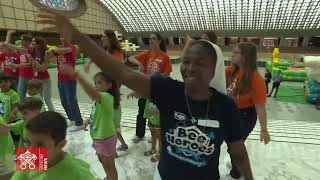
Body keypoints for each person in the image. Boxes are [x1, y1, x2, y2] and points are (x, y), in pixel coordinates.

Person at [37, 11, 253, 179]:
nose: (190, 67)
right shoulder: (170, 91)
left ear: (214, 68)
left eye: (200, 62)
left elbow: (238, 151)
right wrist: (76, 36)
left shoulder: (225, 107)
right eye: (186, 61)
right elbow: (121, 71)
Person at [61, 66, 119, 180]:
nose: (96, 85)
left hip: (105, 138)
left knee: (109, 165)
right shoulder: (99, 101)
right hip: (98, 137)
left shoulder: (107, 97)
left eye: (100, 83)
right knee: (102, 159)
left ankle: (111, 177)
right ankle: (108, 177)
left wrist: (77, 76)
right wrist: (88, 121)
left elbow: (93, 94)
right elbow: (97, 113)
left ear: (109, 85)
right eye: (95, 83)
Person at [226, 42, 270, 179]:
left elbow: (260, 108)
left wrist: (264, 130)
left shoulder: (256, 80)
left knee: (235, 147)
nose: (232, 54)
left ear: (245, 57)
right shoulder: (231, 71)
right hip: (231, 114)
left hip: (245, 116)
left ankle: (237, 171)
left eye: (236, 52)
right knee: (230, 145)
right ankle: (236, 165)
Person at [10, 111, 96, 180]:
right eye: (28, 142)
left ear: (61, 145)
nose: (31, 151)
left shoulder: (77, 172)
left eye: (40, 145)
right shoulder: (29, 158)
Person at [85, 30, 128, 151]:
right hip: (107, 87)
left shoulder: (116, 52)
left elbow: (118, 70)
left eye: (104, 36)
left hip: (110, 88)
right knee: (109, 120)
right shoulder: (108, 50)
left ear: (110, 38)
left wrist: (114, 88)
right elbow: (97, 55)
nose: (101, 37)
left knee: (111, 121)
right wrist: (89, 62)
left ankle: (111, 149)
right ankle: (120, 145)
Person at [128, 32, 172, 143]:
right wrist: (140, 64)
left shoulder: (165, 56)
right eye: (150, 39)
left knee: (156, 114)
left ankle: (156, 135)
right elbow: (131, 58)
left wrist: (154, 78)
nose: (151, 40)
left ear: (159, 41)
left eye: (153, 38)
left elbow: (167, 74)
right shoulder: (147, 54)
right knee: (142, 111)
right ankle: (139, 134)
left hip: (157, 89)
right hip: (145, 88)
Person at [46, 35, 83, 132]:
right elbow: (49, 55)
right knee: (64, 101)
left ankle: (79, 122)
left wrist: (53, 50)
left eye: (65, 36)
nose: (63, 39)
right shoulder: (58, 48)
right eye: (61, 37)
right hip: (60, 79)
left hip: (69, 79)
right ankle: (72, 119)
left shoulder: (72, 47)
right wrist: (50, 52)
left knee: (72, 102)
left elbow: (65, 51)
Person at [31, 36, 55, 111]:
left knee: (47, 99)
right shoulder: (34, 51)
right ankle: (42, 113)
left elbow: (43, 68)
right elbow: (34, 66)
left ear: (38, 43)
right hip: (36, 78)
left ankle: (52, 114)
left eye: (33, 41)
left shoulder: (46, 53)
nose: (32, 42)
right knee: (38, 99)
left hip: (45, 79)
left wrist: (34, 62)